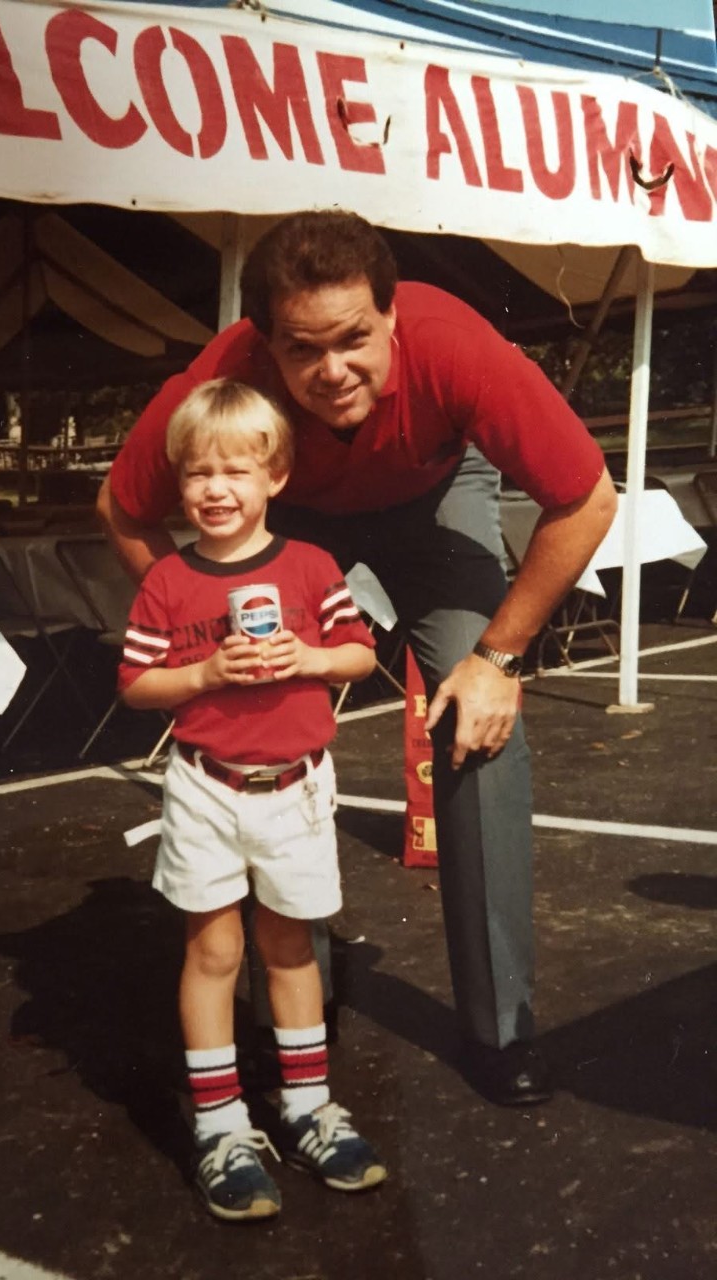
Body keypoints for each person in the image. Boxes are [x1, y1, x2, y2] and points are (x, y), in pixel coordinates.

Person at [99, 210, 618, 1108]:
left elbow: (588, 498)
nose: (334, 371)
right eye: (305, 350)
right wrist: (193, 625)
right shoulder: (224, 370)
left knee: (475, 721)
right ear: (266, 345)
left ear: (392, 320)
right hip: (292, 510)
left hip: (433, 492)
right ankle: (291, 1000)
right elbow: (123, 505)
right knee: (257, 713)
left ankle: (500, 1028)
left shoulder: (457, 345)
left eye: (355, 340)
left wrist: (500, 657)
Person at [117, 378, 386, 1222]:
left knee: (291, 948)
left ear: (275, 477)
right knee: (213, 954)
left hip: (296, 791)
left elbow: (358, 656)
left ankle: (308, 1108)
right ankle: (221, 1124)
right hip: (206, 788)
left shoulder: (308, 566)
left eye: (236, 469)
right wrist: (203, 673)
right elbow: (135, 685)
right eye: (197, 473)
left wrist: (306, 658)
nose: (215, 489)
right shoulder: (167, 579)